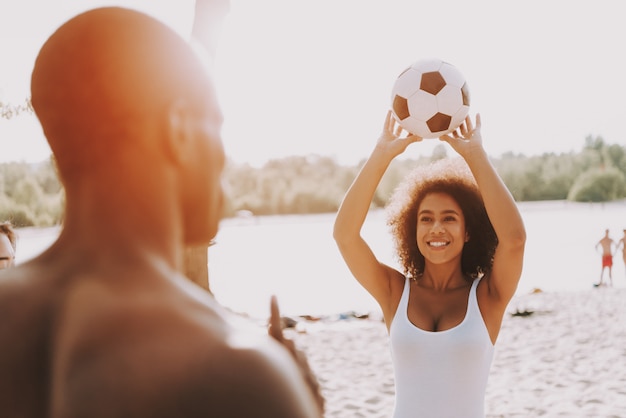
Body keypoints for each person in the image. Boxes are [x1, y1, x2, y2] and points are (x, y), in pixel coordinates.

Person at [0, 7, 322, 417]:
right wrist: (298, 397)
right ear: (180, 128)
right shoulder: (235, 369)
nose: (226, 160)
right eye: (219, 125)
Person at [333, 111, 526, 417]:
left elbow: (514, 240)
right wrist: (382, 154)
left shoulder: (488, 296)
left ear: (468, 231)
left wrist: (475, 155)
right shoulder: (394, 292)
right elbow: (344, 236)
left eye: (449, 218)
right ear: (413, 230)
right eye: (426, 219)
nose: (436, 228)